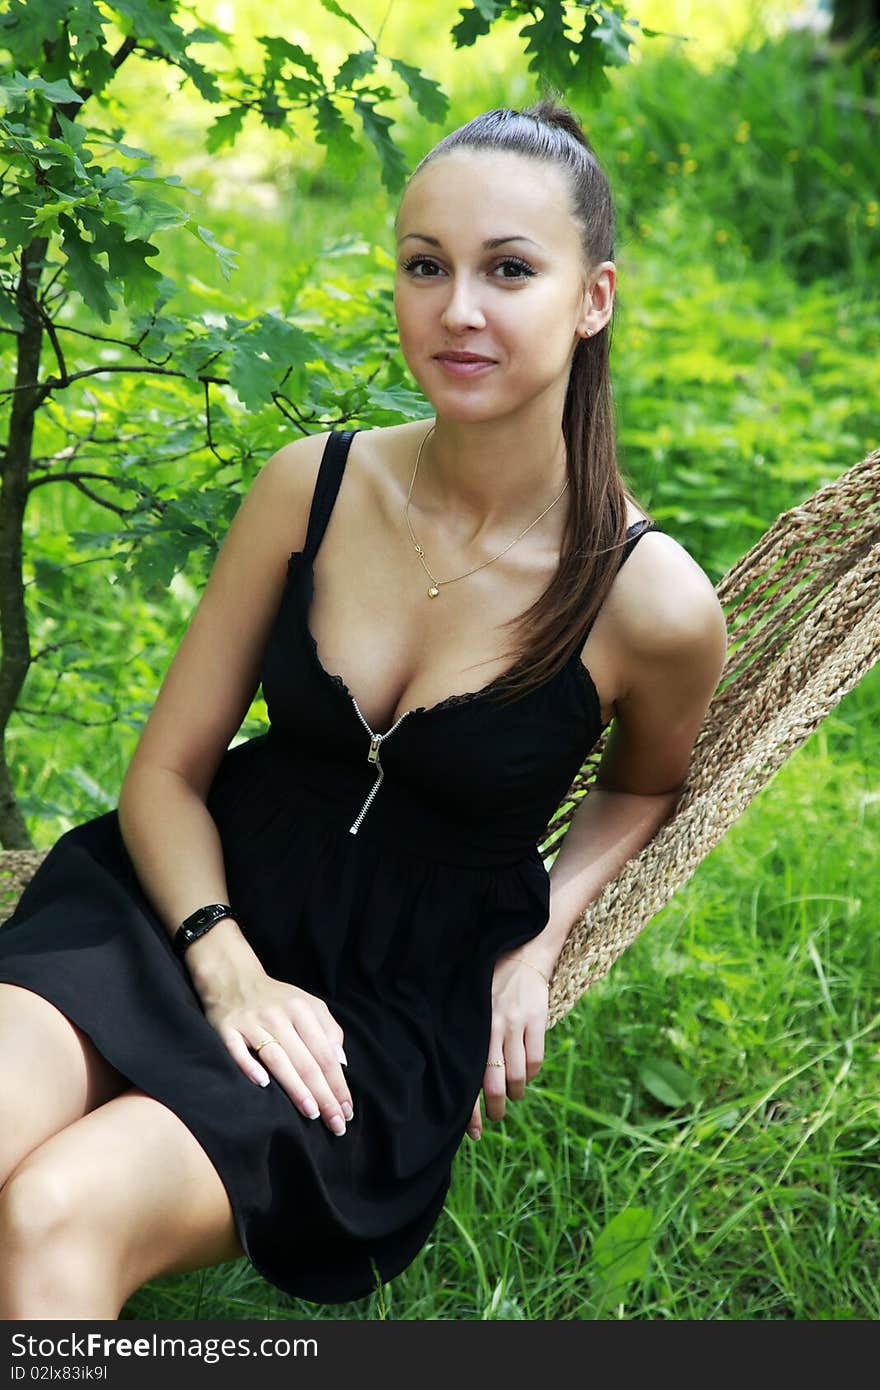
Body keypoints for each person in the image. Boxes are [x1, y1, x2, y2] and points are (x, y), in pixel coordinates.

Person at [0, 99, 727, 1319]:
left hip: (380, 1014)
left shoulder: (647, 603)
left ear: (592, 297)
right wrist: (223, 961)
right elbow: (165, 775)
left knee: (51, 1215)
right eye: (424, 266)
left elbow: (647, 785)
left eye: (509, 269)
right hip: (172, 903)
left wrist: (541, 939)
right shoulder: (315, 486)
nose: (458, 309)